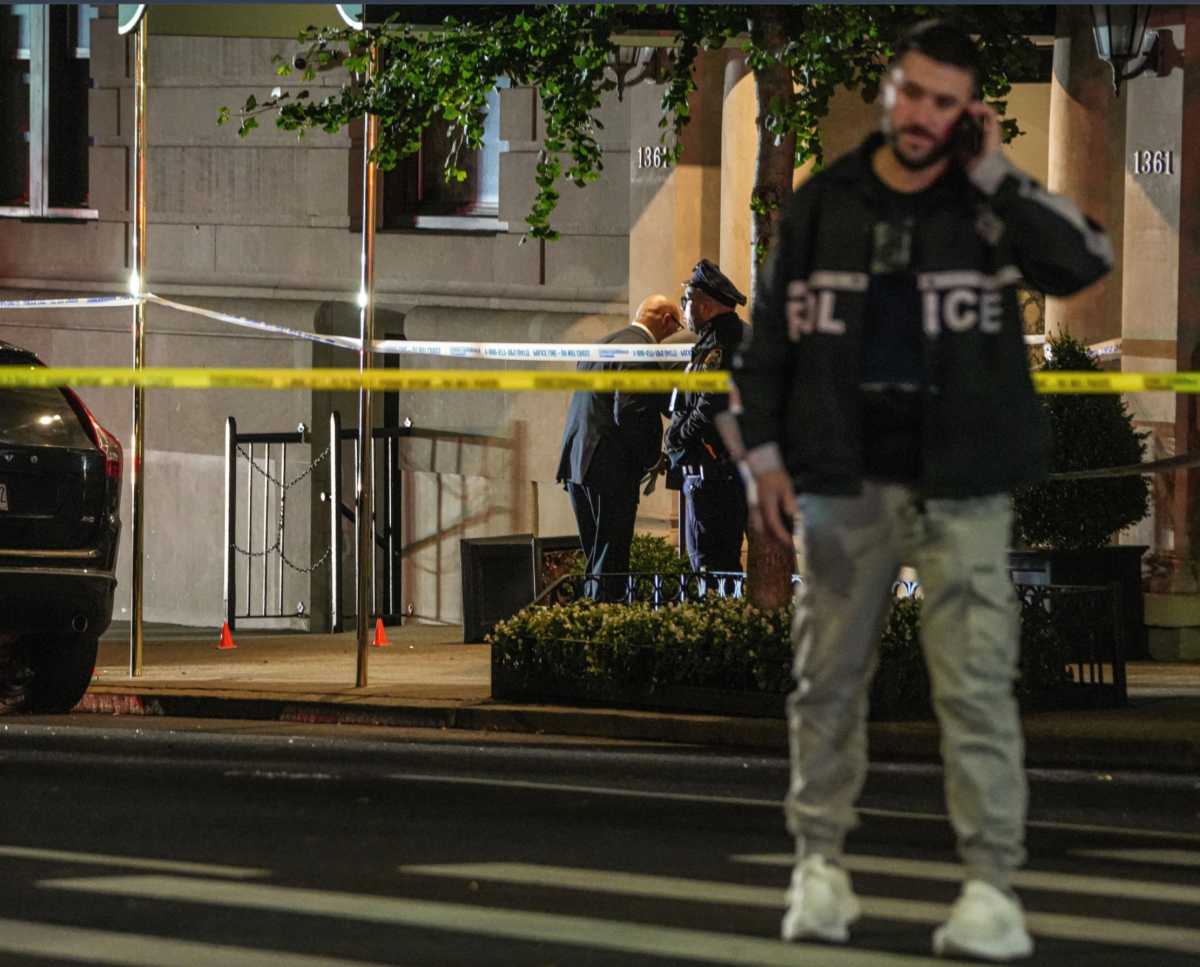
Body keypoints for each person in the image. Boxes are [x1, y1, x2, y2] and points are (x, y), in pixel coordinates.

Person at [731, 20, 1112, 962]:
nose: (922, 115)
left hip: (964, 484)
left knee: (976, 689)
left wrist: (996, 174)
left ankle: (990, 884)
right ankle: (817, 864)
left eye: (946, 102)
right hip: (843, 481)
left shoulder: (986, 207)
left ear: (965, 112)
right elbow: (766, 343)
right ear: (891, 89)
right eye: (912, 92)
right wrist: (764, 460)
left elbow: (1085, 259)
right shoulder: (824, 205)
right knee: (826, 682)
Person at [556, 295, 682, 599]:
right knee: (611, 559)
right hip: (609, 470)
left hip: (578, 465)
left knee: (596, 557)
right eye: (677, 326)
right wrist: (653, 457)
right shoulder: (641, 351)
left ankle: (590, 618)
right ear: (667, 321)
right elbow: (630, 411)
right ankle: (605, 627)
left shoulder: (605, 343)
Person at [663, 259, 750, 573]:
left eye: (687, 302)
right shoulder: (733, 337)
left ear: (704, 305)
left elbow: (710, 404)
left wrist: (677, 435)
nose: (684, 310)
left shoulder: (720, 346)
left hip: (713, 473)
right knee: (722, 563)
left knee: (708, 564)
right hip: (728, 471)